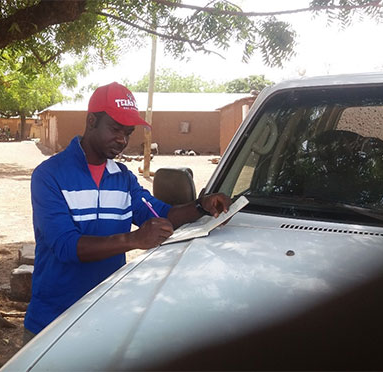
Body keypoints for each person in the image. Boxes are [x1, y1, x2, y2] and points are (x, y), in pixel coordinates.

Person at [23, 82, 231, 342]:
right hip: (53, 321)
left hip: (105, 314)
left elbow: (161, 215)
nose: (122, 139)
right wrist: (133, 240)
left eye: (128, 132)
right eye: (115, 129)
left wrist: (201, 205)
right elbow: (66, 246)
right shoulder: (49, 175)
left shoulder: (123, 179)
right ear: (91, 121)